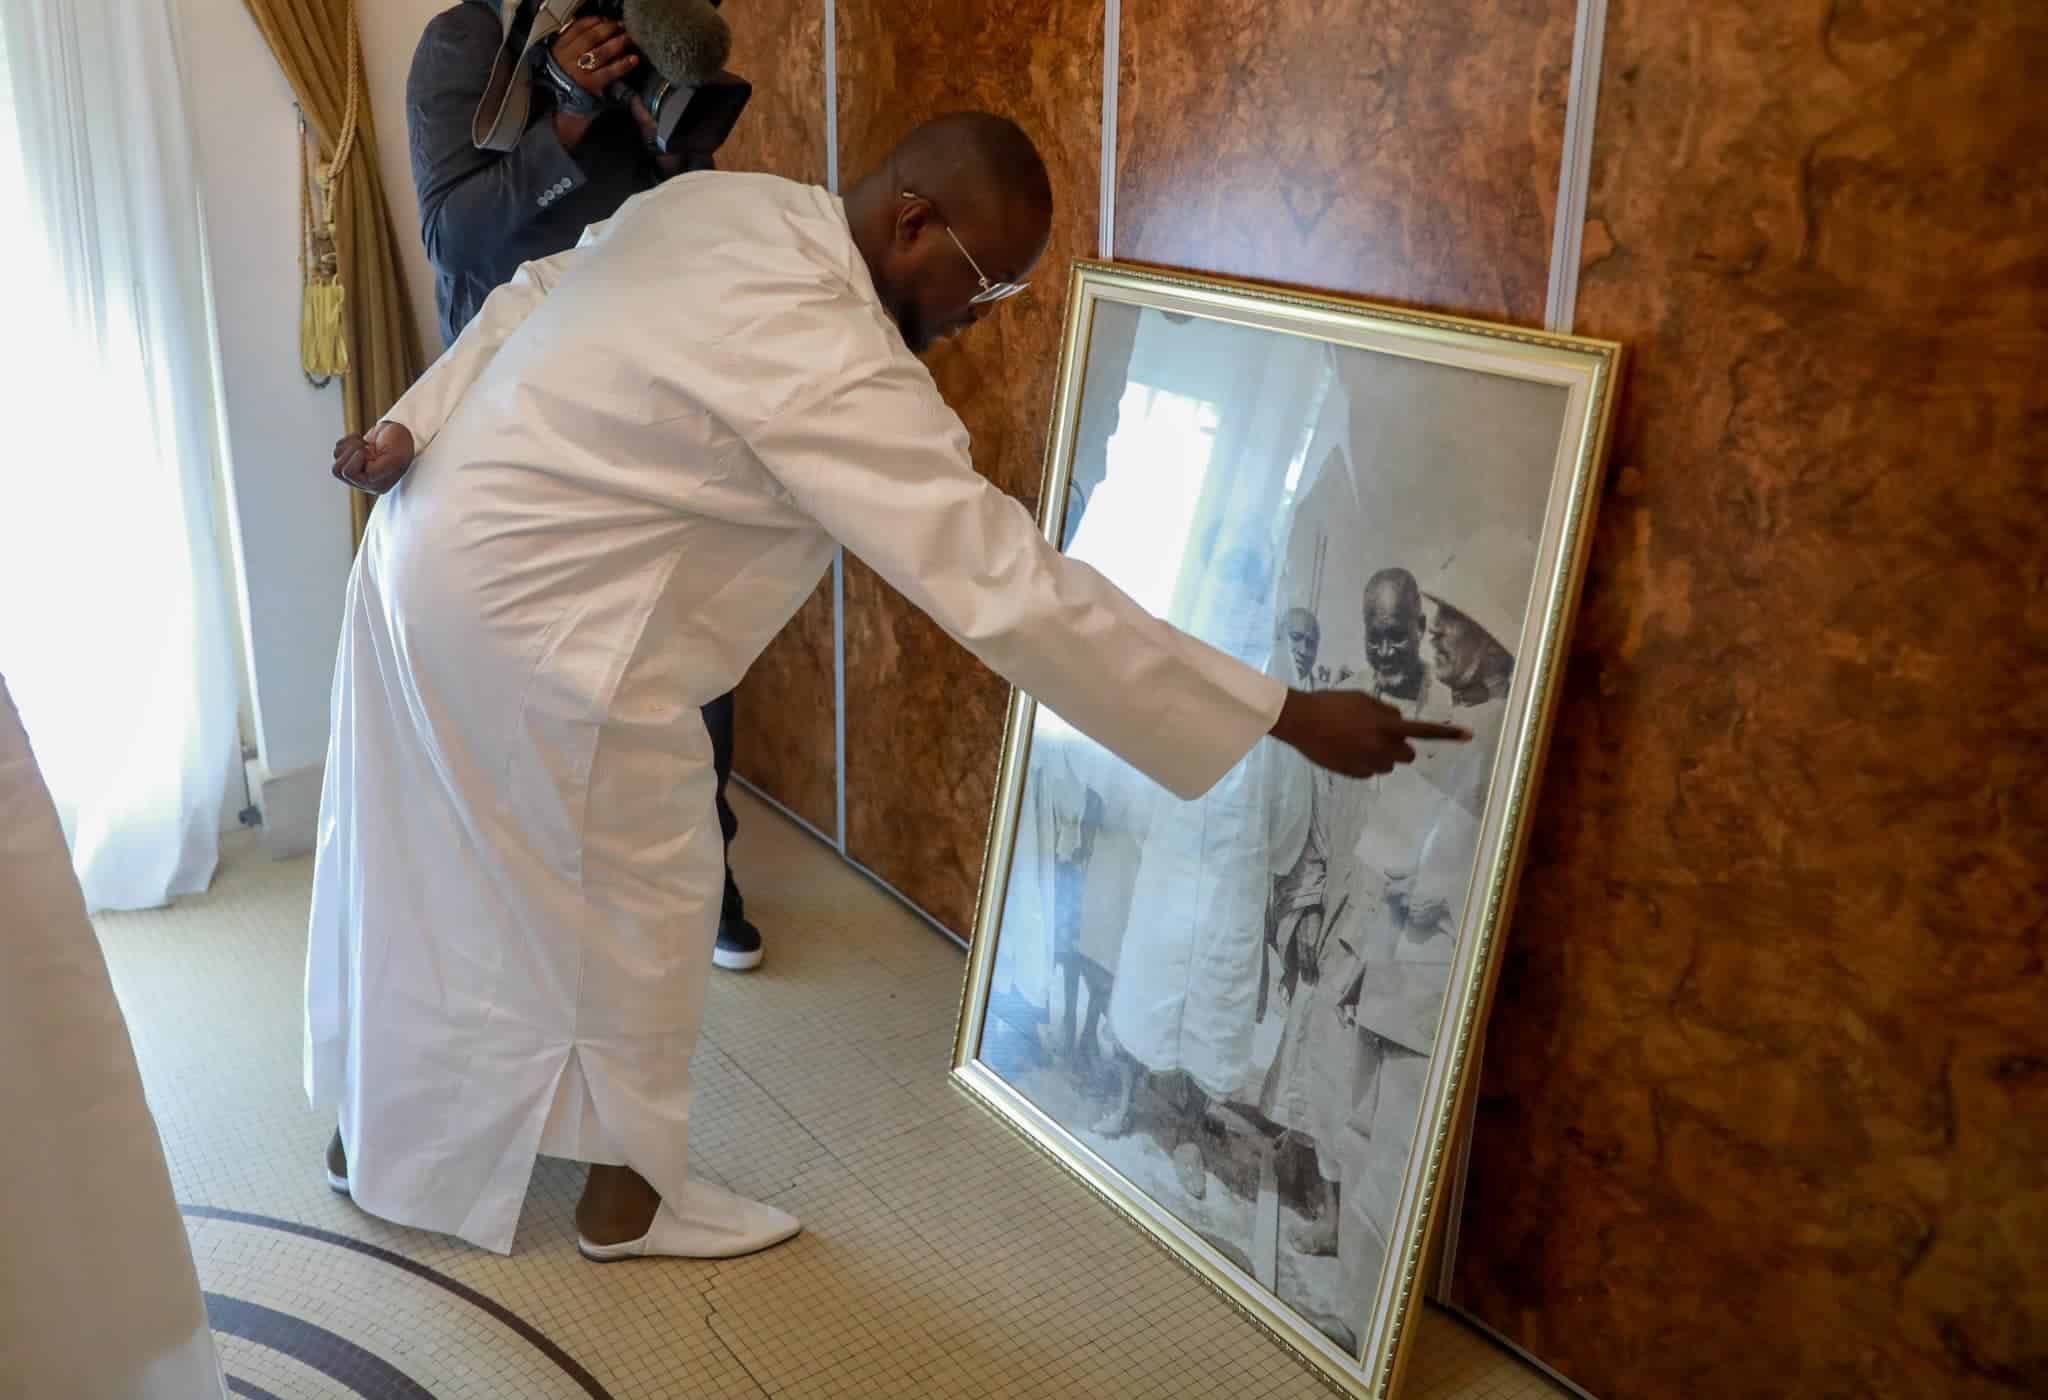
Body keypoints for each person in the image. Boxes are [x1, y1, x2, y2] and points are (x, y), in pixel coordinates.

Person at [318, 110, 1464, 1263]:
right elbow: (1006, 584)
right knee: (646, 886)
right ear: (911, 222)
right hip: (534, 620)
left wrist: (414, 414)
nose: (977, 321)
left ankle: (378, 1128)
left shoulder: (727, 204)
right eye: (985, 284)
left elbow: (535, 282)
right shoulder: (832, 351)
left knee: (425, 857)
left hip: (423, 546)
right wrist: (1277, 710)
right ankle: (627, 1196)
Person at [404, 0, 764, 973]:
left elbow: (683, 222)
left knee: (685, 648)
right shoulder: (465, 44)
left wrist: (673, 142)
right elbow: (455, 241)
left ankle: (703, 867)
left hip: (650, 386)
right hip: (522, 414)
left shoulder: (641, 23)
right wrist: (561, 110)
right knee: (537, 668)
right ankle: (533, 893)